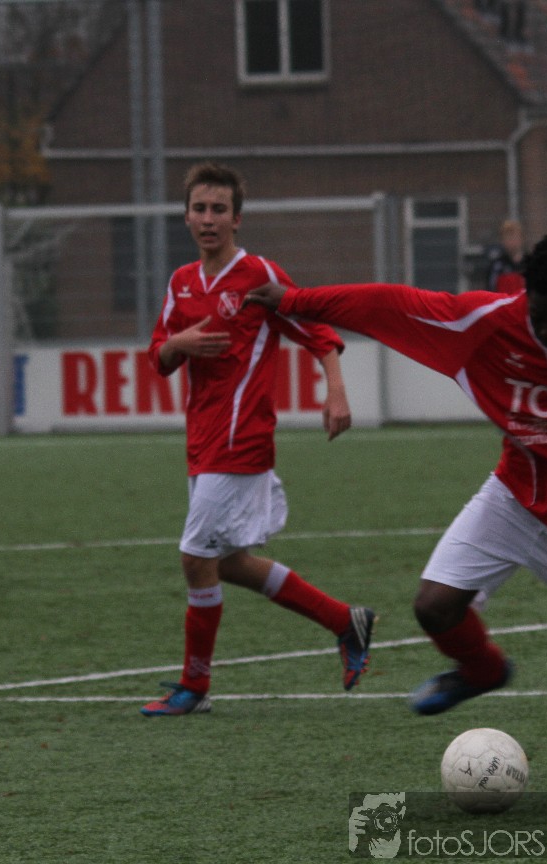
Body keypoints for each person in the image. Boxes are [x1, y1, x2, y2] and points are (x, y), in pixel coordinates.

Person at [244, 235, 547, 770]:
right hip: (515, 496)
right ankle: (484, 670)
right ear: (526, 295)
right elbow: (387, 304)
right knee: (434, 606)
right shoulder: (486, 321)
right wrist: (295, 300)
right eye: (540, 316)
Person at [139, 161, 375, 716]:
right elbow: (159, 357)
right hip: (202, 443)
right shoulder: (181, 282)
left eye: (219, 209)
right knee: (226, 562)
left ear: (237, 219)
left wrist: (336, 391)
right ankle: (346, 621)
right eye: (199, 208)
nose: (208, 219)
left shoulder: (258, 275)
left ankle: (194, 686)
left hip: (241, 440)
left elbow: (316, 329)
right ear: (186, 216)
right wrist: (180, 343)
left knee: (195, 558)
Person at [484, 219, 527, 294]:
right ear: (502, 241)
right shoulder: (497, 266)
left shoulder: (530, 263)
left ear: (521, 239)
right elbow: (490, 289)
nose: (512, 242)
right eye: (508, 238)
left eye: (514, 237)